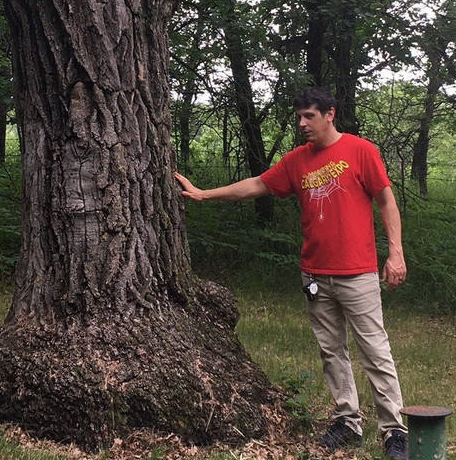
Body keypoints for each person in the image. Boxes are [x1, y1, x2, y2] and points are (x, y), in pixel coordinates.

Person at [175, 87, 408, 459]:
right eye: (299, 117)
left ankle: (394, 430)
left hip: (357, 272)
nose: (301, 124)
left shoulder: (361, 151)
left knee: (375, 352)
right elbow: (255, 186)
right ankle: (347, 420)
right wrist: (204, 194)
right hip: (315, 273)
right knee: (332, 352)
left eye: (309, 116)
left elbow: (386, 201)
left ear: (330, 114)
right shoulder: (297, 161)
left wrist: (395, 254)